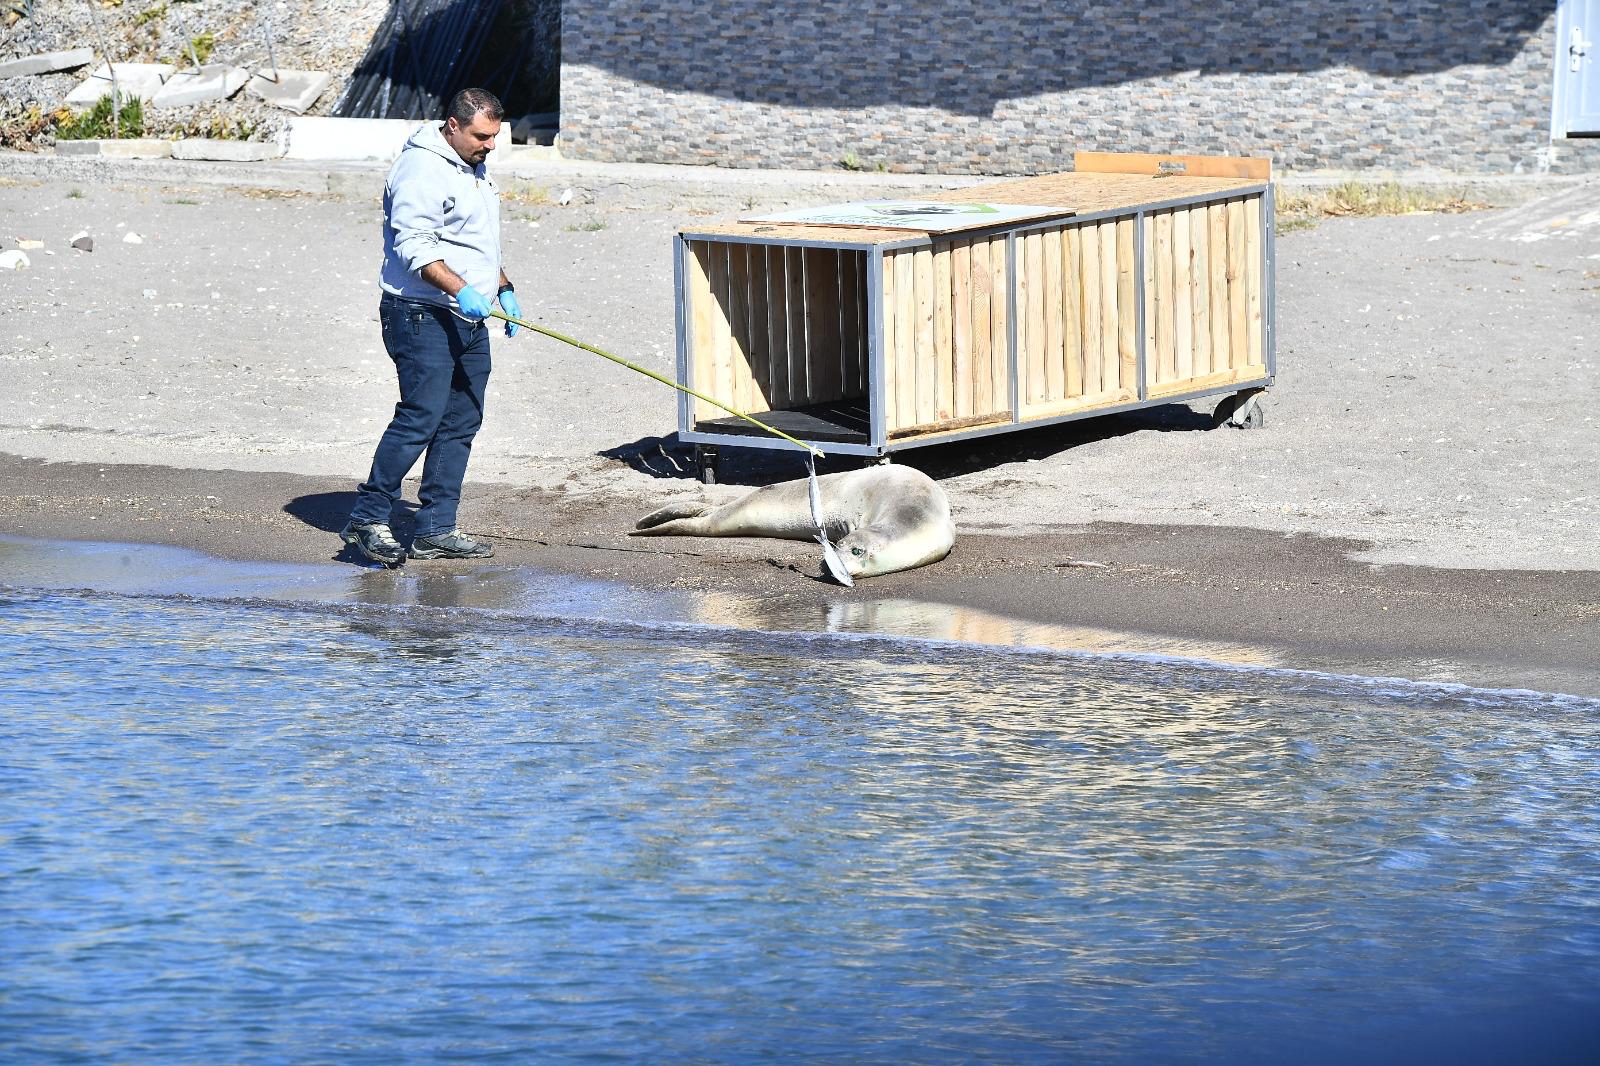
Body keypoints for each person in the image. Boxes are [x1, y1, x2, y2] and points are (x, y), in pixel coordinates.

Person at [340, 87, 522, 565]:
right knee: (421, 415)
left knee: (462, 419)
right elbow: (414, 246)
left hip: (466, 314)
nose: (490, 146)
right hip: (419, 313)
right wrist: (462, 290)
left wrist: (501, 285)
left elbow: (473, 241)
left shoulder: (472, 165)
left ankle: (436, 529)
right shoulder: (421, 168)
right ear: (453, 125)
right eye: (482, 137)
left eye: (494, 137)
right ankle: (366, 519)